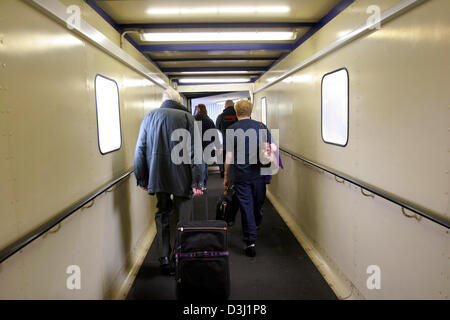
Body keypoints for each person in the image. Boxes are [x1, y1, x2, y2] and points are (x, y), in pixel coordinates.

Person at [134, 88, 204, 275]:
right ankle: (180, 256)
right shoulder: (188, 118)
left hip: (158, 175)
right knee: (184, 217)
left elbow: (140, 147)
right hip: (184, 176)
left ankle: (164, 258)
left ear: (163, 100)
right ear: (179, 102)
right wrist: (198, 181)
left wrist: (142, 176)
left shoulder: (150, 117)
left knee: (163, 213)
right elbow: (196, 152)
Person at [223, 99, 273, 258]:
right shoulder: (261, 127)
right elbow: (270, 150)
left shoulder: (231, 129)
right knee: (257, 203)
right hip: (259, 174)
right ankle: (252, 233)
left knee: (247, 206)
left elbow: (229, 157)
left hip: (240, 175)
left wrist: (226, 176)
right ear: (251, 112)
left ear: (236, 113)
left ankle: (251, 237)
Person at [194, 104, 216, 190]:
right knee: (205, 166)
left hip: (196, 146)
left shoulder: (193, 119)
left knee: (196, 165)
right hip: (207, 146)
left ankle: (197, 185)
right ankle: (204, 185)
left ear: (198, 109)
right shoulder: (209, 120)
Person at [215, 100, 238, 178]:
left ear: (225, 106)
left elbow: (217, 131)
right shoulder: (239, 115)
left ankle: (224, 173)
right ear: (233, 105)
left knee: (224, 159)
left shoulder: (221, 116)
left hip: (225, 144)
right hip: (237, 144)